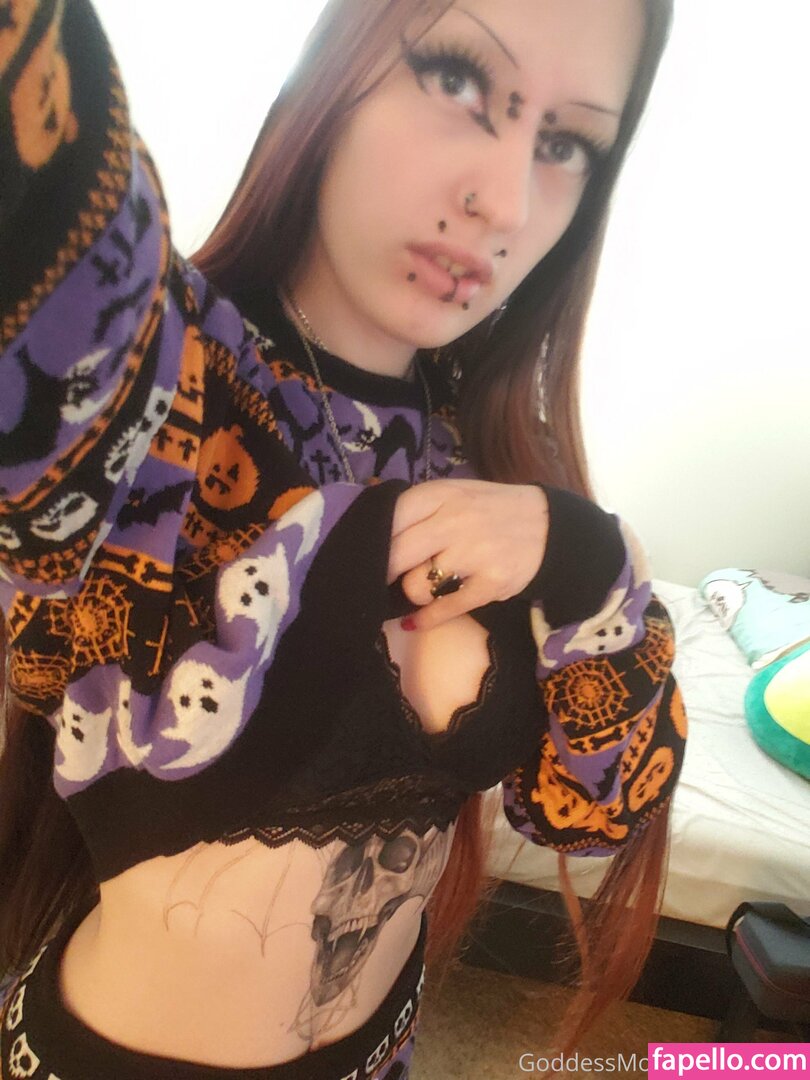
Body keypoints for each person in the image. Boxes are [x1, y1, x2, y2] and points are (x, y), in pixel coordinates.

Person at [0, 0, 686, 1076]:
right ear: (335, 67)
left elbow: (596, 811)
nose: (505, 203)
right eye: (458, 78)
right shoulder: (167, 379)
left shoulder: (489, 451)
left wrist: (585, 555)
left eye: (565, 144)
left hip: (383, 1051)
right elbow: (46, 194)